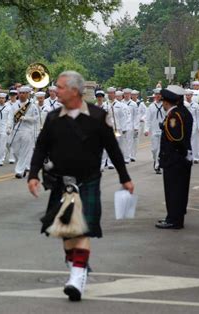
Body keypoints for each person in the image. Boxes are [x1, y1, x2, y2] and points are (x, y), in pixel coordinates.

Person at [27, 71, 134, 302]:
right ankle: (76, 262)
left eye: (60, 87)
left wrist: (124, 177)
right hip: (60, 182)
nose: (56, 90)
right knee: (66, 233)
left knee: (82, 229)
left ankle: (76, 278)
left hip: (88, 181)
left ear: (75, 91)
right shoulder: (54, 117)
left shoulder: (97, 116)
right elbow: (40, 147)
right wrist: (33, 175)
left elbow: (113, 149)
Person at [155, 85, 193, 230]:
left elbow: (176, 137)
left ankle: (174, 219)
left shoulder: (174, 115)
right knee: (179, 190)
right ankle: (175, 216)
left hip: (175, 159)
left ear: (167, 102)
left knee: (174, 191)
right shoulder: (182, 112)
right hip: (180, 158)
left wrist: (165, 128)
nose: (162, 104)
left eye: (163, 101)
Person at [10, 86, 39, 178]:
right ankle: (25, 164)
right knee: (15, 151)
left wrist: (26, 118)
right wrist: (8, 127)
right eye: (20, 93)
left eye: (24, 93)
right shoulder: (14, 105)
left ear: (27, 94)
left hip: (27, 130)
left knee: (24, 151)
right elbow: (10, 117)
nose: (21, 95)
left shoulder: (32, 106)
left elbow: (36, 119)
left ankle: (19, 171)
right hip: (16, 130)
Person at [144, 88, 165, 174]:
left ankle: (158, 166)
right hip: (154, 130)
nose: (158, 96)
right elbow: (148, 119)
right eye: (156, 94)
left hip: (163, 131)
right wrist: (146, 129)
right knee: (154, 149)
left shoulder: (165, 105)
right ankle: (155, 160)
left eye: (159, 94)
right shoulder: (151, 107)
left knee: (161, 150)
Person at [0, 92, 13, 166]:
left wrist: (9, 127)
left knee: (2, 144)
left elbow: (10, 119)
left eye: (3, 98)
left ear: (5, 99)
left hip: (4, 127)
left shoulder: (8, 108)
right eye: (0, 98)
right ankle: (3, 152)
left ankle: (0, 160)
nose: (1, 100)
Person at [184, 89, 199, 163]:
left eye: (189, 95)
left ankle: (195, 157)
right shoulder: (184, 105)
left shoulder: (195, 105)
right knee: (186, 141)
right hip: (186, 124)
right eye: (186, 95)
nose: (188, 96)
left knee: (194, 141)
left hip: (194, 123)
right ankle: (188, 156)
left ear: (192, 96)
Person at [122, 88, 138, 163]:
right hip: (122, 125)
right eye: (125, 94)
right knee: (122, 142)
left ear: (130, 95)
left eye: (128, 94)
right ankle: (123, 156)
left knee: (129, 141)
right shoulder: (120, 103)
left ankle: (127, 158)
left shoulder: (133, 104)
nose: (126, 95)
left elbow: (135, 116)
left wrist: (136, 127)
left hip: (130, 125)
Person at [131, 90, 147, 161]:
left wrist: (142, 118)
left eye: (135, 95)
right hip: (129, 124)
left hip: (138, 124)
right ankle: (128, 154)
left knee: (135, 139)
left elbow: (146, 112)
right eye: (132, 95)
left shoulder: (140, 103)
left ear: (137, 95)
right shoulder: (129, 103)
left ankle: (133, 155)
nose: (133, 96)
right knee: (128, 139)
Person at [6, 89, 19, 164]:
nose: (12, 97)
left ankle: (12, 157)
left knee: (14, 141)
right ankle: (12, 153)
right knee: (8, 142)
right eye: (11, 95)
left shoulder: (19, 104)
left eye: (14, 95)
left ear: (16, 96)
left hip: (16, 124)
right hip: (7, 124)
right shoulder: (7, 104)